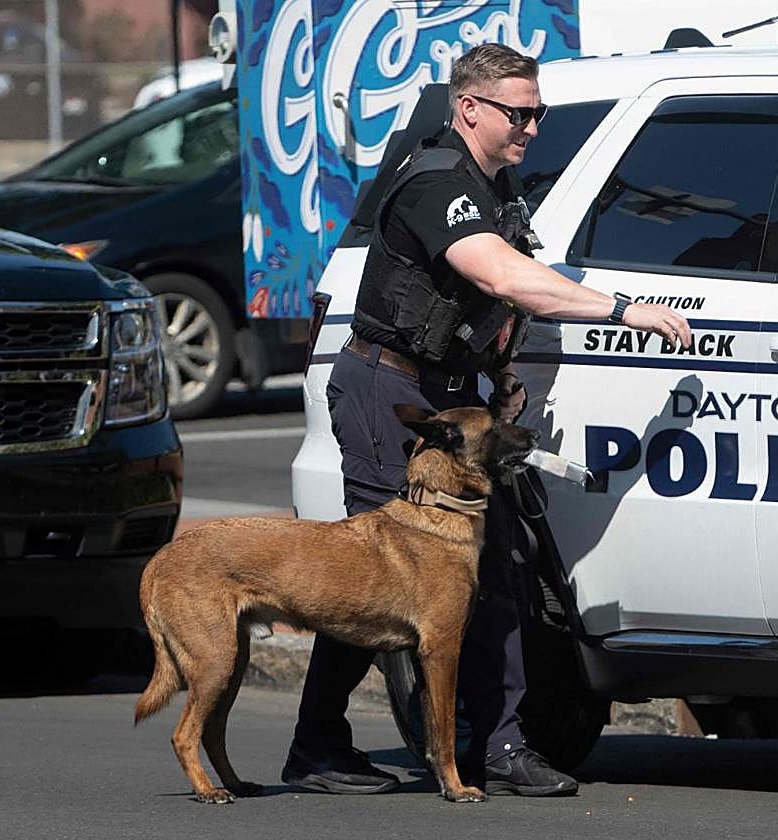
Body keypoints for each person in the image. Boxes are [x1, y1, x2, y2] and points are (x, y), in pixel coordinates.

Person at [280, 42, 692, 798]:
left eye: (538, 113)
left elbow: (490, 301)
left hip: (451, 400)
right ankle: (318, 747)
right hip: (388, 395)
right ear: (468, 108)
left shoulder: (498, 186)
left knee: (497, 567)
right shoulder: (436, 183)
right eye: (518, 114)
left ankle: (499, 745)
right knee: (370, 579)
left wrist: (499, 377)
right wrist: (625, 310)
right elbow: (503, 276)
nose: (532, 128)